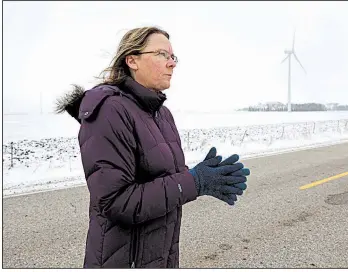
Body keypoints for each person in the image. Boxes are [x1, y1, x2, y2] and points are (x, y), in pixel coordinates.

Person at [55, 26, 250, 268]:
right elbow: (117, 201)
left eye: (172, 56)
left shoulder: (161, 114)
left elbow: (164, 180)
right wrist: (194, 181)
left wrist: (207, 176)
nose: (172, 63)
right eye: (161, 54)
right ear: (132, 60)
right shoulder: (110, 110)